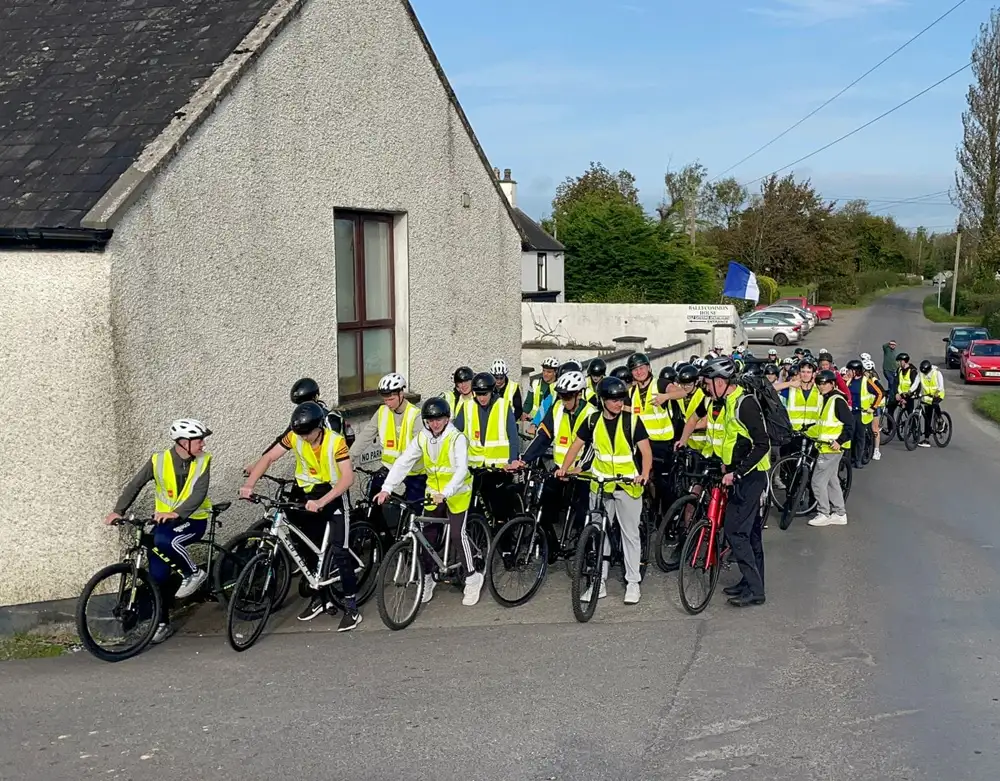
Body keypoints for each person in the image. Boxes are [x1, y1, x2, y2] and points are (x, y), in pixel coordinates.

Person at [241, 402, 361, 630]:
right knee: (307, 546)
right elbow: (268, 458)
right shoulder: (295, 436)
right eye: (301, 434)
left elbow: (347, 478)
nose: (304, 438)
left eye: (308, 433)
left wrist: (323, 501)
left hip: (333, 495)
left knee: (339, 551)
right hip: (309, 495)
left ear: (319, 428)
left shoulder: (336, 442)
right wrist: (249, 484)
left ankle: (351, 606)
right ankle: (321, 598)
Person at [105, 419, 214, 644]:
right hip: (167, 522)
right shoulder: (158, 461)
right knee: (157, 574)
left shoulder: (204, 461)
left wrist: (178, 513)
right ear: (184, 443)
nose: (203, 444)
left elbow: (199, 493)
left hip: (194, 519)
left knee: (164, 541)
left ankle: (194, 573)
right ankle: (162, 623)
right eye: (199, 440)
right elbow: (135, 484)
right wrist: (118, 511)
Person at [375, 397, 484, 606]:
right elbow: (404, 461)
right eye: (430, 420)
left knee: (456, 534)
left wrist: (447, 491)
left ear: (447, 419)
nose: (435, 424)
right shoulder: (422, 438)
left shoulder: (456, 438)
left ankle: (472, 577)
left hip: (458, 491)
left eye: (439, 419)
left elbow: (462, 469)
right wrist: (387, 488)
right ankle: (427, 577)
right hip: (433, 493)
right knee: (428, 534)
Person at [557, 376, 652, 605]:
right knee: (598, 535)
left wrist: (644, 474)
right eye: (613, 400)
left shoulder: (632, 421)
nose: (619, 404)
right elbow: (576, 446)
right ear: (602, 400)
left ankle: (632, 583)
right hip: (600, 484)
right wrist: (564, 468)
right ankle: (598, 582)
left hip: (628, 485)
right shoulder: (591, 421)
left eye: (621, 399)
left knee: (630, 534)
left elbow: (646, 452)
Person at [695, 357, 770, 607]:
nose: (705, 389)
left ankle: (756, 590)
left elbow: (762, 444)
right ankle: (750, 582)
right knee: (751, 534)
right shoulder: (729, 401)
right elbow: (734, 440)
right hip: (740, 474)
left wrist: (737, 473)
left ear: (719, 382)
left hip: (750, 477)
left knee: (736, 531)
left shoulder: (744, 404)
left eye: (707, 384)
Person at [509, 371, 592, 558]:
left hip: (582, 471)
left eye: (569, 396)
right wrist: (524, 459)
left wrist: (578, 469)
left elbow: (593, 448)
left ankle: (587, 554)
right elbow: (543, 438)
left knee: (583, 514)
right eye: (562, 395)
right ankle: (552, 548)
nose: (564, 400)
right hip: (559, 469)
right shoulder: (557, 409)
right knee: (543, 506)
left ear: (579, 394)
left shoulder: (590, 413)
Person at [349, 373, 427, 537]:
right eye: (385, 399)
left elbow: (418, 448)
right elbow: (366, 436)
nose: (388, 403)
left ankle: (417, 545)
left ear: (401, 394)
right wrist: (349, 459)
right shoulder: (382, 412)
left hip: (414, 472)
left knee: (415, 512)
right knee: (374, 497)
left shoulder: (415, 415)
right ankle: (382, 536)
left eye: (391, 399)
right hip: (390, 468)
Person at [453, 372, 519, 524]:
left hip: (499, 468)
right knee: (473, 508)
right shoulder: (467, 406)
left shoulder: (503, 406)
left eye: (485, 394)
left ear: (492, 392)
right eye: (479, 394)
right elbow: (455, 433)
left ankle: (505, 545)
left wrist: (513, 460)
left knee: (500, 509)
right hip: (475, 467)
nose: (482, 398)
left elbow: (512, 436)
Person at [626, 352, 675, 516]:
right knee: (641, 479)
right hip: (641, 443)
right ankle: (648, 514)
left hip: (661, 443)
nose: (639, 372)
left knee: (662, 483)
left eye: (641, 368)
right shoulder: (631, 392)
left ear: (648, 367)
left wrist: (666, 397)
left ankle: (669, 520)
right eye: (635, 370)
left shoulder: (659, 384)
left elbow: (681, 392)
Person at [806, 370, 853, 528]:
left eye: (825, 383)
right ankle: (840, 513)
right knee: (832, 481)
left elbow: (850, 425)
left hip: (831, 449)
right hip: (826, 447)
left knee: (817, 482)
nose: (821, 386)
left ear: (833, 384)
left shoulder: (837, 400)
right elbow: (823, 426)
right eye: (819, 383)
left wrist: (840, 441)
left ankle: (823, 513)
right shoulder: (827, 399)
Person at [916, 359, 945, 448]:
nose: (924, 374)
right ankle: (926, 439)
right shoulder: (921, 373)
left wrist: (937, 392)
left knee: (934, 404)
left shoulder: (937, 373)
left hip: (938, 394)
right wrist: (910, 391)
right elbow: (915, 383)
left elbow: (941, 386)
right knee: (927, 417)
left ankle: (940, 419)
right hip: (927, 396)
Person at [524, 357, 559, 429]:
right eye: (544, 371)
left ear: (555, 372)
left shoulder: (559, 385)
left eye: (549, 372)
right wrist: (524, 413)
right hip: (536, 423)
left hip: (553, 423)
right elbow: (528, 402)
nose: (545, 374)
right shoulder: (535, 383)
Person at [862, 359, 886, 460]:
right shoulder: (863, 380)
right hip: (866, 408)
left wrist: (874, 406)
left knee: (875, 429)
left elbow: (882, 393)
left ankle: (876, 450)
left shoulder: (874, 380)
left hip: (875, 407)